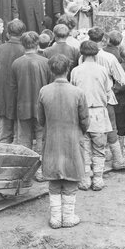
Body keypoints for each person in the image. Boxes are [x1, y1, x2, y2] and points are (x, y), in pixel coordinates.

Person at [37, 54, 90, 229]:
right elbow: (85, 120)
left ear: (51, 70)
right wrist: (80, 130)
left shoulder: (44, 91)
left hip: (52, 139)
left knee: (53, 178)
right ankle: (68, 217)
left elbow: (40, 119)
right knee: (71, 176)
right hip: (72, 139)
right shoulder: (78, 92)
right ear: (68, 69)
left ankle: (55, 218)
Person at [71, 40, 117, 190]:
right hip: (98, 113)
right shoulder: (102, 70)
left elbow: (73, 92)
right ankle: (98, 179)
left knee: (83, 147)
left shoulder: (76, 71)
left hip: (81, 113)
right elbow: (108, 91)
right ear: (96, 53)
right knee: (99, 147)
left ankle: (84, 179)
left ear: (82, 53)